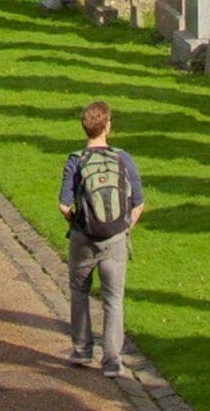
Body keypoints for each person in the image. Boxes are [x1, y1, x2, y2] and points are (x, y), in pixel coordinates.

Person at [56, 100, 144, 374]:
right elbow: (138, 203)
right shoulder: (122, 158)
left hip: (83, 238)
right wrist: (123, 228)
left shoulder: (76, 160)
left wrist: (77, 223)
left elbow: (64, 205)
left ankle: (82, 350)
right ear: (107, 126)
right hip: (115, 238)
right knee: (113, 299)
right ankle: (112, 360)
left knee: (80, 292)